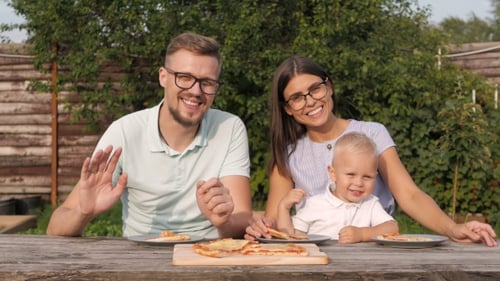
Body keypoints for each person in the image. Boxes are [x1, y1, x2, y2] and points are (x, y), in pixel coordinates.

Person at [245, 55, 497, 247]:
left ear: (329, 87)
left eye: (315, 89)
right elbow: (275, 217)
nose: (310, 101)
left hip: (376, 253)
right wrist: (261, 225)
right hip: (316, 256)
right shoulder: (288, 154)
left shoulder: (373, 134)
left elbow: (408, 194)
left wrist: (453, 229)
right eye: (297, 97)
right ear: (287, 108)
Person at [47, 32, 253, 239]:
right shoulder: (125, 132)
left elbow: (241, 218)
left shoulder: (229, 127)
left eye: (207, 82)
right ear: (163, 77)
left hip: (208, 255)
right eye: (185, 78)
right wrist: (84, 212)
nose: (196, 91)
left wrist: (223, 222)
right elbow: (54, 229)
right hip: (141, 258)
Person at [276, 132, 399, 243]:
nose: (359, 183)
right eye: (351, 174)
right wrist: (283, 208)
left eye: (367, 177)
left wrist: (363, 234)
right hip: (321, 264)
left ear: (375, 176)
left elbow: (392, 228)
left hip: (360, 265)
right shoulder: (315, 204)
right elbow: (291, 237)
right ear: (333, 173)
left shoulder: (370, 204)